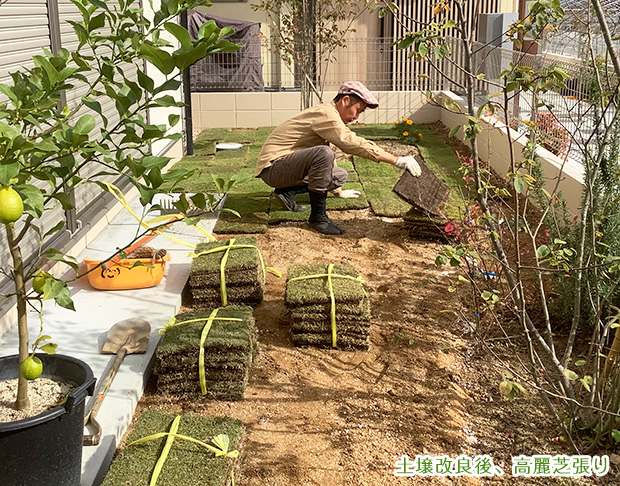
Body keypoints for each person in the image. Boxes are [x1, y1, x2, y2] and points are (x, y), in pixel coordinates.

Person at [256, 81, 422, 235]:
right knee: (323, 153)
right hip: (273, 168)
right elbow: (348, 142)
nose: (357, 117)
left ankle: (287, 191)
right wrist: (397, 160)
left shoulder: (328, 115)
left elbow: (327, 158)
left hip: (285, 167)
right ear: (345, 100)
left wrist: (338, 191)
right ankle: (318, 218)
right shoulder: (326, 114)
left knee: (339, 175)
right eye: (358, 110)